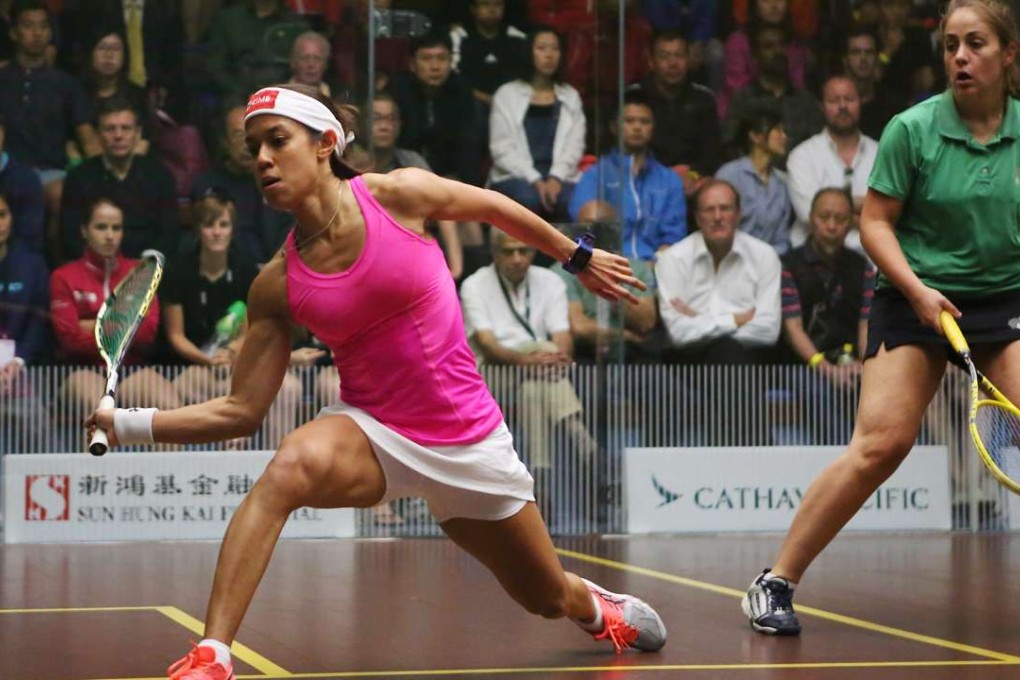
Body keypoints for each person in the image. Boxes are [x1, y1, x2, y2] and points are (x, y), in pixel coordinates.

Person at [86, 83, 665, 679]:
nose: (261, 158)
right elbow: (241, 411)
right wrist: (125, 423)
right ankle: (214, 654)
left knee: (544, 598)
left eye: (277, 141)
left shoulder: (396, 195)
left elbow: (492, 205)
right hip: (373, 432)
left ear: (324, 144)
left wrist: (576, 256)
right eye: (253, 146)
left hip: (469, 441)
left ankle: (594, 606)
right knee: (287, 469)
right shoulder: (277, 283)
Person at [741, 0, 1020, 636]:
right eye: (950, 45)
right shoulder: (912, 130)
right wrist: (919, 291)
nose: (960, 57)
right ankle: (774, 582)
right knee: (882, 445)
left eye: (975, 44)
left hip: (1003, 301)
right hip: (912, 294)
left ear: (1009, 54)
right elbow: (873, 223)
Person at [460, 228, 599, 522]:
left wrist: (551, 358)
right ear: (495, 254)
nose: (517, 258)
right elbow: (488, 345)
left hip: (539, 376)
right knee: (542, 348)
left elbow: (563, 338)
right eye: (509, 252)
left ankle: (540, 482)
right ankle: (585, 444)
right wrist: (535, 358)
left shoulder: (550, 281)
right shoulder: (475, 284)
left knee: (533, 391)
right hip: (492, 373)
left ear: (534, 252)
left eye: (524, 251)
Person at [51, 197, 179, 421]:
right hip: (82, 370)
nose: (109, 235)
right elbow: (69, 339)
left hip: (132, 368)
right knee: (99, 410)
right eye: (101, 227)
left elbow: (147, 333)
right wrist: (124, 321)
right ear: (84, 230)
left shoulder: (141, 272)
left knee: (168, 407)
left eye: (116, 228)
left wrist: (92, 325)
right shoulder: (63, 277)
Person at [779, 187, 875, 443]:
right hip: (802, 364)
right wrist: (825, 368)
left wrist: (865, 365)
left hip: (849, 359)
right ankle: (846, 459)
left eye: (841, 219)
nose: (831, 225)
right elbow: (792, 328)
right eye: (824, 217)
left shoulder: (862, 267)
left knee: (877, 389)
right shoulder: (787, 265)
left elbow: (866, 325)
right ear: (811, 219)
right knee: (817, 392)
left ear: (851, 223)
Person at [569, 92, 687, 261]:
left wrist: (657, 265)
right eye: (629, 121)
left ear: (653, 128)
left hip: (656, 268)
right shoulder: (594, 176)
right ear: (614, 127)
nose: (637, 127)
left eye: (644, 122)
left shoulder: (670, 180)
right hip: (608, 266)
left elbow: (674, 237)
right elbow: (582, 230)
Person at [59, 96, 179, 261]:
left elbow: (169, 236)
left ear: (138, 133)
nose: (118, 135)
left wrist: (140, 277)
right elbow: (71, 237)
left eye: (126, 128)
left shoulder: (160, 176)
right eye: (110, 129)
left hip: (146, 274)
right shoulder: (78, 179)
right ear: (99, 134)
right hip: (94, 272)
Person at [488, 25, 585, 222]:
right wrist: (536, 180)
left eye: (554, 48)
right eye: (541, 48)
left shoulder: (570, 95)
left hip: (561, 176)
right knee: (529, 199)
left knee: (573, 201)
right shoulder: (506, 94)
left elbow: (575, 146)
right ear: (529, 52)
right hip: (515, 175)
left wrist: (556, 178)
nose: (549, 55)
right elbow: (501, 149)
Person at [786, 76, 879, 253]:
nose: (843, 106)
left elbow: (892, 210)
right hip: (813, 262)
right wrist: (866, 207)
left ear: (860, 102)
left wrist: (831, 209)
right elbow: (808, 213)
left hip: (873, 259)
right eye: (834, 100)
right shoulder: (802, 156)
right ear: (822, 107)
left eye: (849, 99)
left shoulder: (882, 154)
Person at [715, 109, 793, 255]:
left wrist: (765, 258)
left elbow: (782, 238)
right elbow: (717, 227)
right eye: (777, 130)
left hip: (769, 264)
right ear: (756, 137)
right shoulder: (729, 175)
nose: (784, 137)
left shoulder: (782, 182)